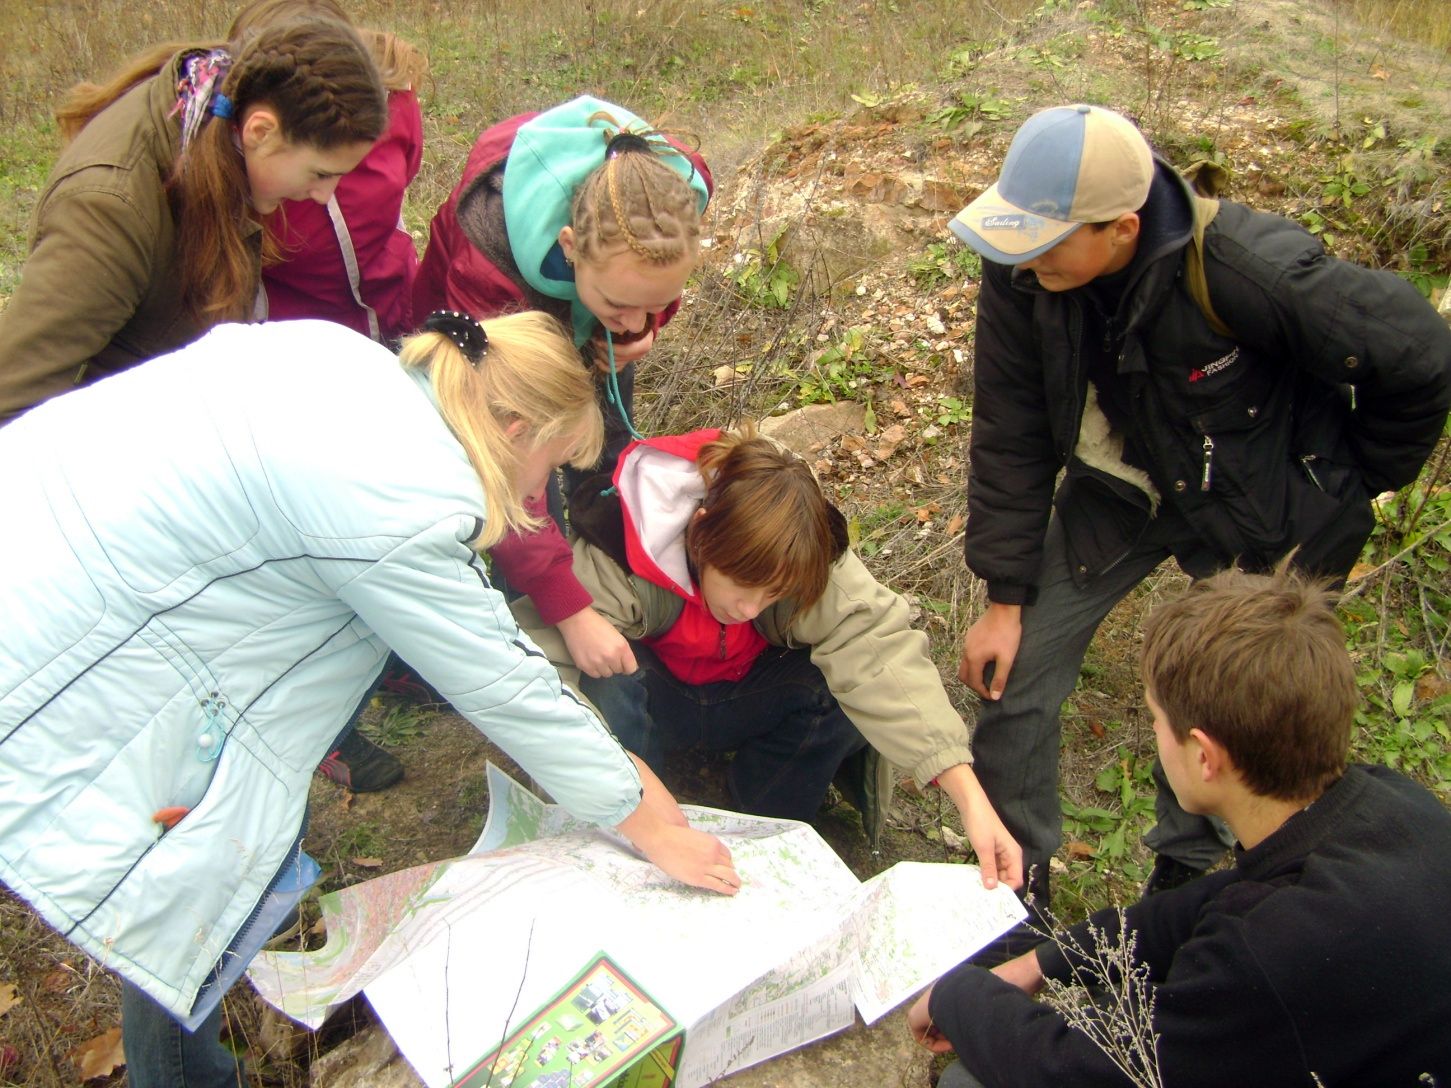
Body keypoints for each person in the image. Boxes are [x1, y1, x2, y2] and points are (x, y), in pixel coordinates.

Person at [0, 311, 739, 1088]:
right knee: (188, 863)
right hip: (62, 654)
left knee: (221, 837)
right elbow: (501, 681)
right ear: (515, 429)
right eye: (548, 467)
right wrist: (638, 813)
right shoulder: (397, 499)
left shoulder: (336, 356)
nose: (536, 496)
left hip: (50, 542)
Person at [946, 103, 1451, 920]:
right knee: (1016, 670)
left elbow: (1420, 353)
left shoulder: (1249, 269)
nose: (1024, 257)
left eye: (1045, 241)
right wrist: (1005, 596)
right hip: (1121, 488)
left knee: (1226, 703)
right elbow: (1011, 425)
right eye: (1017, 237)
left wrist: (1354, 481)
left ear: (1120, 229)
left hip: (1254, 508)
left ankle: (1186, 875)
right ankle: (1014, 888)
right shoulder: (1021, 266)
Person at [907, 567, 1451, 1087]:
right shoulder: (1393, 806)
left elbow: (1079, 1073)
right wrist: (1043, 962)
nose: (1154, 732)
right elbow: (1204, 904)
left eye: (1157, 720)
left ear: (1205, 757)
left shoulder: (1265, 955)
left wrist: (958, 994)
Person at [511, 426, 1023, 890]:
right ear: (700, 533)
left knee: (838, 688)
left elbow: (877, 652)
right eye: (742, 584)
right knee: (604, 675)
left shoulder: (804, 550)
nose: (750, 609)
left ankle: (764, 834)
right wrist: (621, 778)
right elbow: (540, 673)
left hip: (748, 695)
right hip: (656, 699)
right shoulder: (621, 545)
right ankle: (639, 821)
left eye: (772, 594)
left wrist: (969, 796)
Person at [414, 95, 713, 690]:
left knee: (604, 450)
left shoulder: (669, 198)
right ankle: (529, 626)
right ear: (571, 246)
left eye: (654, 302)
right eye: (621, 304)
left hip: (574, 309)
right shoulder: (487, 266)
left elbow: (639, 298)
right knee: (524, 486)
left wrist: (635, 329)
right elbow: (506, 473)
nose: (635, 321)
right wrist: (569, 612)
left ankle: (611, 570)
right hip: (491, 337)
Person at [224, 0, 428, 792]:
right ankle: (324, 727)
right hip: (292, 358)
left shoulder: (391, 105)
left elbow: (396, 212)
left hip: (385, 332)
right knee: (303, 536)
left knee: (390, 506)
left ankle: (396, 656)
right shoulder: (239, 154)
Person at [0, 18, 387, 424]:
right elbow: (12, 402)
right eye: (321, 174)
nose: (325, 194)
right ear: (261, 131)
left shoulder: (219, 110)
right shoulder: (108, 214)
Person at [232, 0, 427, 345]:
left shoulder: (392, 104)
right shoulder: (238, 158)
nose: (325, 192)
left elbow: (403, 182)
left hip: (394, 317)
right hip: (298, 344)